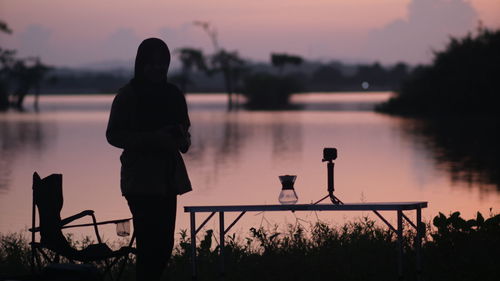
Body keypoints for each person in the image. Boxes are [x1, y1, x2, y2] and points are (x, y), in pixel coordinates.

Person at [106, 38, 192, 281]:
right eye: (151, 64)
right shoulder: (128, 96)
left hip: (168, 181)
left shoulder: (174, 95)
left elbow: (184, 132)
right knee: (148, 245)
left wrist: (181, 140)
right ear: (141, 65)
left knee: (165, 246)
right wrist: (152, 138)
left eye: (162, 63)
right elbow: (113, 135)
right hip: (140, 182)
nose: (157, 68)